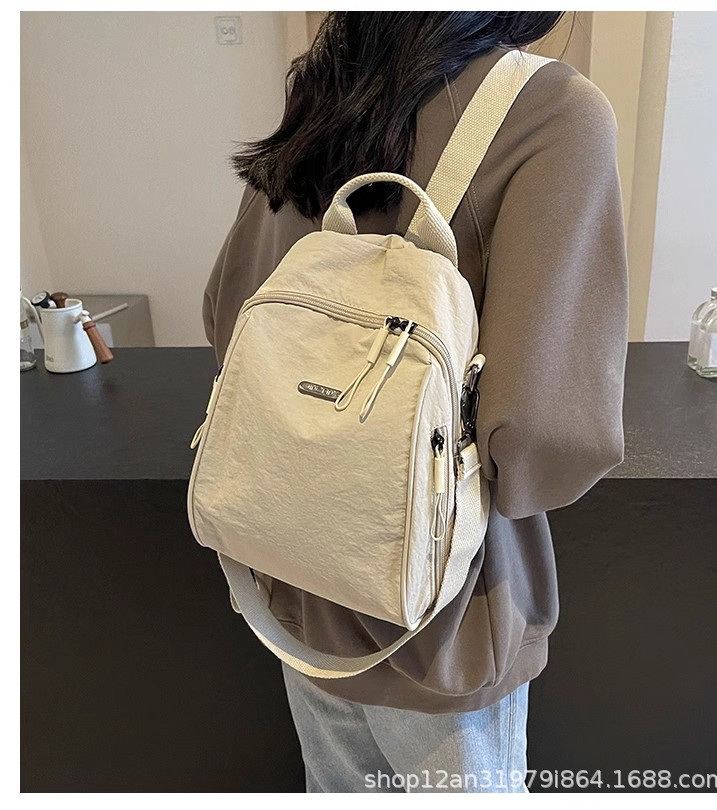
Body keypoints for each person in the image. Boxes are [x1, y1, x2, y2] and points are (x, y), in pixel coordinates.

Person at [202, 11, 628, 794]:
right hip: (446, 613)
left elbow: (230, 315)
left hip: (297, 577)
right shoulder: (555, 112)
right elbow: (542, 436)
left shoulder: (326, 87)